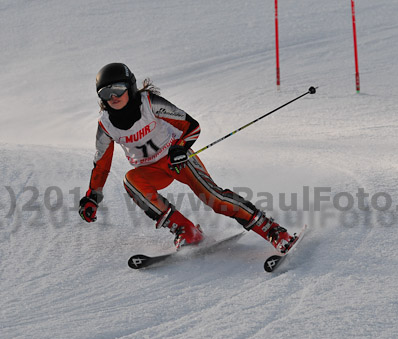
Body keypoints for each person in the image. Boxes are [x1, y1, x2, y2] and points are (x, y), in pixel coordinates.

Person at [78, 62, 296, 252]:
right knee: (131, 181)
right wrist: (92, 197)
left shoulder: (150, 104)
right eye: (105, 94)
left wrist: (181, 148)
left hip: (177, 161)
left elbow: (191, 126)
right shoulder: (106, 125)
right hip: (151, 171)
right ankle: (187, 231)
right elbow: (101, 165)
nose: (113, 97)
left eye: (118, 89)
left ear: (130, 87)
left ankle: (273, 231)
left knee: (214, 199)